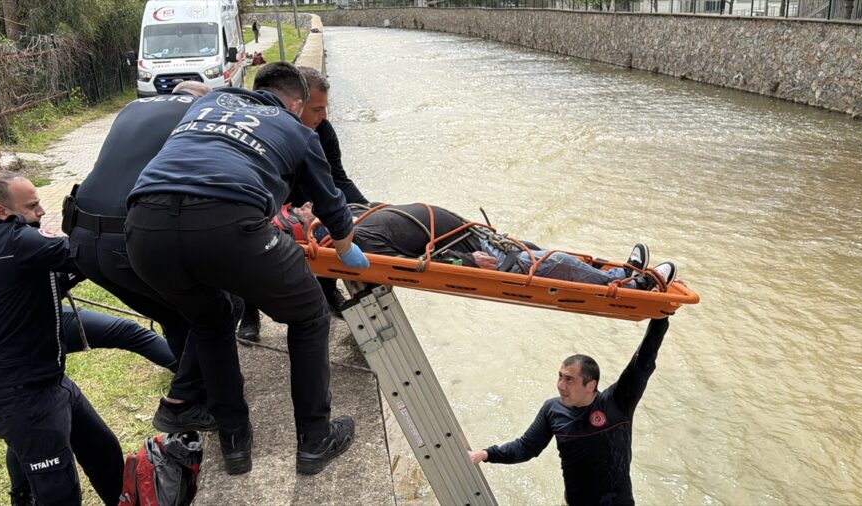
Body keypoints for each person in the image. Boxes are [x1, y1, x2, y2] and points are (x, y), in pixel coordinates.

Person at [125, 62, 370, 476]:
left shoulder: (209, 104)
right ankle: (315, 440)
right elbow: (334, 211)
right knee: (310, 315)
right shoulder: (297, 130)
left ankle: (235, 441)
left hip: (143, 230)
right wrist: (348, 251)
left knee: (212, 320)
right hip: (226, 224)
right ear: (297, 103)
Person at [66, 80, 217, 435]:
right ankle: (180, 402)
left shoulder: (133, 108)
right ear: (204, 100)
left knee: (176, 313)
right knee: (221, 305)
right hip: (127, 239)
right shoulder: (199, 114)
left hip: (81, 241)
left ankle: (198, 389)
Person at [0, 172, 123, 506]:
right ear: (2, 212)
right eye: (32, 206)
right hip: (21, 395)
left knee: (104, 452)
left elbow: (28, 283)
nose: (42, 211)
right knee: (60, 494)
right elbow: (83, 252)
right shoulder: (18, 242)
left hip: (43, 381)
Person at [468, 318, 671, 505]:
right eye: (560, 377)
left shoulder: (617, 403)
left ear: (590, 386)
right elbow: (526, 447)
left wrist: (661, 316)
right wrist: (486, 454)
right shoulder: (552, 410)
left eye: (569, 380)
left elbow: (644, 360)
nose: (560, 386)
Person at [238, 66, 369, 341]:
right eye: (317, 109)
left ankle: (328, 289)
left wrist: (366, 209)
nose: (324, 116)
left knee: (331, 228)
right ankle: (249, 313)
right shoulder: (264, 131)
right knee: (247, 244)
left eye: (325, 109)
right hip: (264, 200)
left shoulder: (323, 130)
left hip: (307, 197)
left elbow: (337, 180)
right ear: (295, 105)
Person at [5, 304, 178, 505]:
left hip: (47, 362)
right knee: (58, 487)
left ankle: (193, 378)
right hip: (11, 378)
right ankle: (23, 496)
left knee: (103, 450)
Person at [290, 202, 678, 290]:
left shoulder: (347, 216)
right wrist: (464, 261)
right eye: (298, 213)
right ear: (305, 229)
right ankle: (632, 286)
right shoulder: (355, 241)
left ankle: (617, 274)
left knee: (535, 249)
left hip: (469, 236)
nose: (304, 207)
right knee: (550, 263)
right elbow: (407, 267)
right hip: (469, 252)